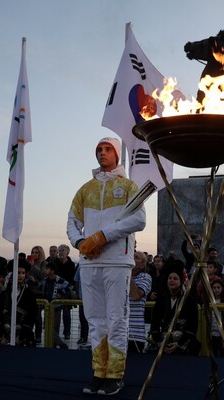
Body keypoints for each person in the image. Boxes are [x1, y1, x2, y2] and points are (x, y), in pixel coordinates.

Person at [66, 137, 146, 396]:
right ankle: (99, 373)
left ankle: (116, 375)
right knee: (95, 320)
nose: (102, 153)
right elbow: (71, 220)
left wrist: (102, 235)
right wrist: (80, 241)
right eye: (98, 150)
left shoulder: (129, 185)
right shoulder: (85, 189)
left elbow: (139, 220)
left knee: (116, 319)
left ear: (116, 155)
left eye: (107, 149)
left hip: (117, 261)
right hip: (89, 263)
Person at [150, 262, 200, 356]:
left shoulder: (189, 300)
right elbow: (154, 324)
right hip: (163, 342)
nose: (172, 280)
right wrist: (160, 342)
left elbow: (192, 327)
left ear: (181, 281)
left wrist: (179, 344)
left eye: (175, 278)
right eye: (170, 278)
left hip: (183, 342)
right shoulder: (161, 299)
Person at [0, 260, 38, 347]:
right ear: (12, 274)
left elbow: (31, 317)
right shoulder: (4, 294)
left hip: (23, 337)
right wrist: (0, 337)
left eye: (23, 273)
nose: (21, 275)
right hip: (5, 337)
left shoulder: (29, 294)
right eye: (18, 273)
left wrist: (21, 338)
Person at [39, 262, 74, 349]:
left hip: (56, 306)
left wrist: (61, 292)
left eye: (47, 269)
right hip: (47, 306)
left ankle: (57, 343)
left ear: (52, 270)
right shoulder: (45, 280)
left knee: (55, 326)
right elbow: (40, 287)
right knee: (48, 325)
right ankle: (58, 343)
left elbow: (69, 286)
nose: (45, 270)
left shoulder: (59, 280)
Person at [128, 251, 152, 353]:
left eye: (136, 258)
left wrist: (127, 273)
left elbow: (136, 295)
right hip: (116, 334)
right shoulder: (120, 277)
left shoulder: (146, 277)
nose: (132, 259)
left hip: (135, 335)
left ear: (143, 265)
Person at [209, 279, 224, 357]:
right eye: (214, 288)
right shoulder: (209, 301)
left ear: (222, 288)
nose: (216, 290)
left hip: (223, 334)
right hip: (212, 334)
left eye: (218, 287)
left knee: (223, 357)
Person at [56, 244, 76, 341]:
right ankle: (55, 334)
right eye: (59, 250)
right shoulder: (56, 263)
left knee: (66, 314)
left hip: (67, 291)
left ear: (67, 252)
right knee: (56, 313)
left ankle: (67, 333)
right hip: (57, 291)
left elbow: (72, 280)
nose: (60, 252)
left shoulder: (71, 264)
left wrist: (65, 289)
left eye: (63, 250)